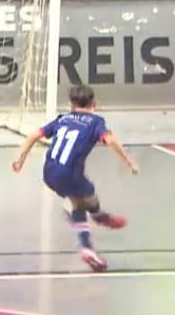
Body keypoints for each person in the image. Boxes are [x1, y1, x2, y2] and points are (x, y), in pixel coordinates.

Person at [11, 85, 139, 272]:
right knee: (83, 201)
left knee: (80, 197)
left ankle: (90, 216)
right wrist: (129, 162)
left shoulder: (62, 119)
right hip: (69, 174)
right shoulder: (96, 122)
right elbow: (110, 141)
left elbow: (33, 135)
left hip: (49, 172)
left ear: (70, 105)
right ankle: (89, 239)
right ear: (94, 103)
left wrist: (19, 159)